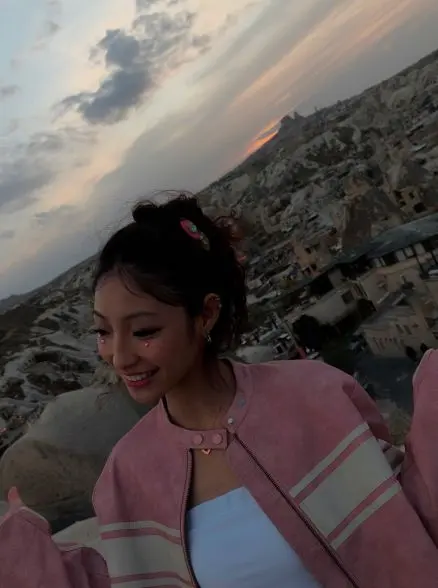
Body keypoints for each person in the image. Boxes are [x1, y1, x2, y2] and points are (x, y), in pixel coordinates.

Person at [2, 195, 438, 588]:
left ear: (205, 314)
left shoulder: (314, 394)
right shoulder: (125, 476)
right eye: (102, 332)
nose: (119, 356)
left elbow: (408, 517)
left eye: (143, 331)